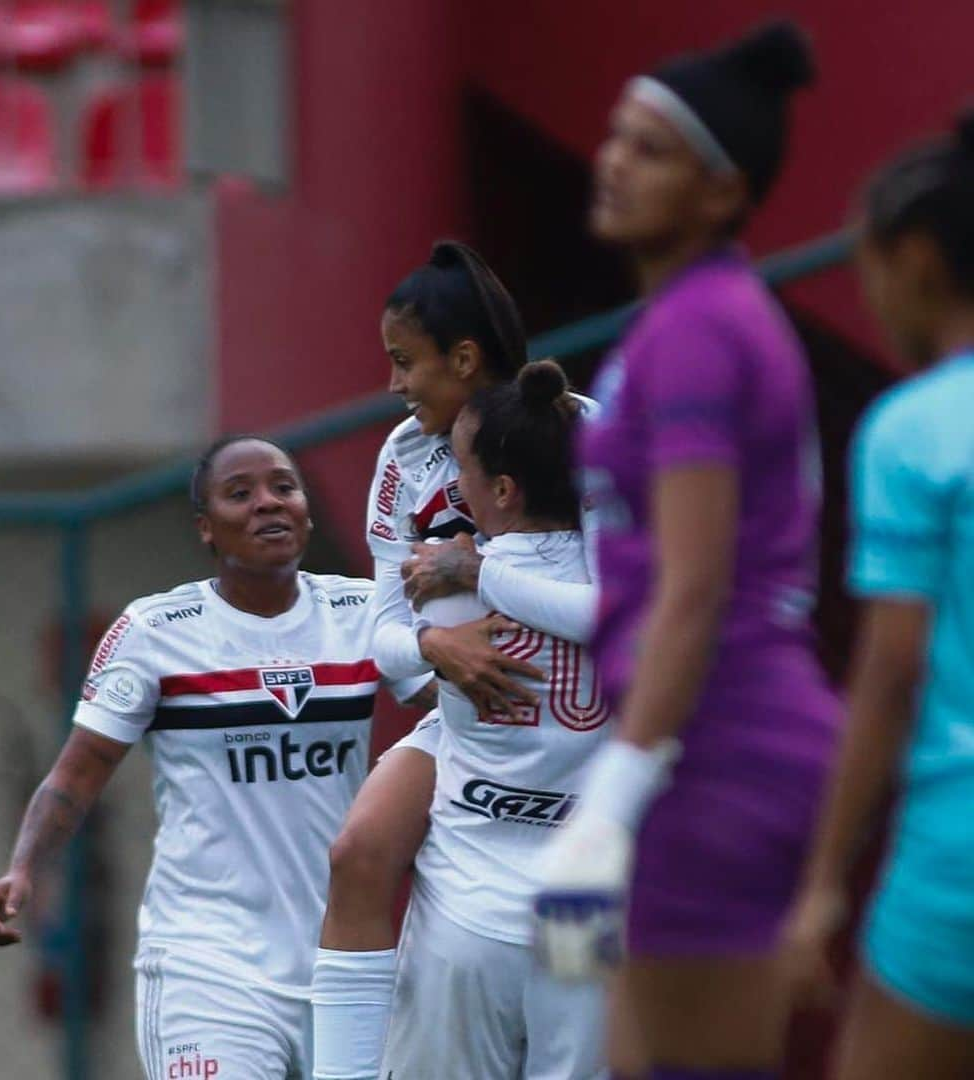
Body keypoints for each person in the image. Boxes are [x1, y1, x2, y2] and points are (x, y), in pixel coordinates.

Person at [532, 20, 839, 1080]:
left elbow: (694, 586)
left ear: (724, 193)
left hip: (719, 748)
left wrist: (611, 796)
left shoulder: (703, 328)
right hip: (686, 748)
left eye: (651, 148)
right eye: (616, 137)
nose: (614, 161)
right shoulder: (676, 324)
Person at [0, 434, 432, 1080]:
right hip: (209, 968)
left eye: (284, 486)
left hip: (345, 965)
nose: (267, 503)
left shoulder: (361, 613)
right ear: (205, 530)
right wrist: (25, 868)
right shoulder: (155, 633)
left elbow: (456, 714)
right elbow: (76, 775)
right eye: (239, 494)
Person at [312, 242, 600, 1080]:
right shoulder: (402, 458)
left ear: (464, 358)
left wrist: (484, 574)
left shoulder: (585, 433)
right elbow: (385, 639)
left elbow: (631, 616)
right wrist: (437, 649)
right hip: (472, 722)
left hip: (586, 733)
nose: (395, 385)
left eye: (406, 363)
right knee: (359, 850)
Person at [783, 114, 974, 1080]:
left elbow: (889, 677)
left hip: (958, 865)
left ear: (922, 259)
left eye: (870, 262)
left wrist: (821, 884)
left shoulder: (914, 432)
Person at [377, 360, 610, 1079]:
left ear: (501, 490)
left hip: (467, 916)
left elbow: (388, 657)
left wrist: (432, 629)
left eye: (464, 470)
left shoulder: (444, 588)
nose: (455, 484)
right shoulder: (632, 592)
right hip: (584, 917)